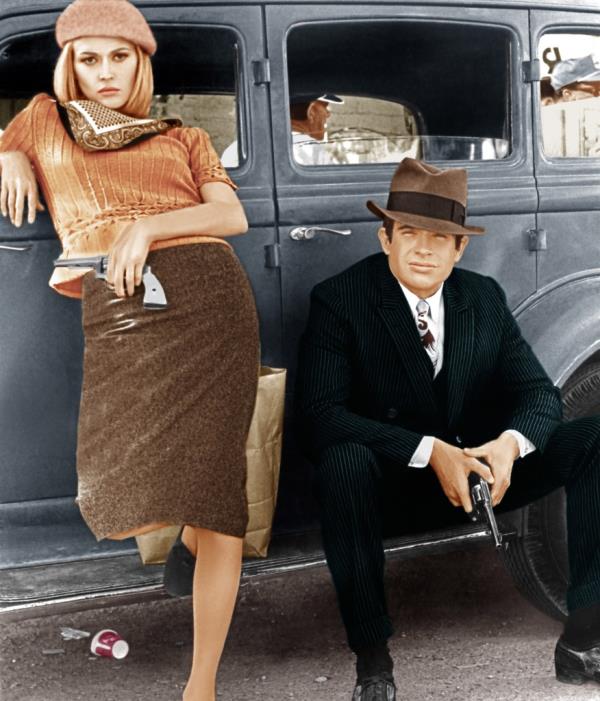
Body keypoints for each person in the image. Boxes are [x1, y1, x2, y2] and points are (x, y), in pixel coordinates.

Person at [0, 1, 259, 700]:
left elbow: (229, 214)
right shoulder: (41, 118)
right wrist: (9, 154)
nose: (104, 72)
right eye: (89, 58)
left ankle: (200, 684)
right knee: (119, 491)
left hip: (209, 302)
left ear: (139, 62)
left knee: (217, 498)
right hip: (121, 309)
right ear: (69, 65)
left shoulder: (183, 135)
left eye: (118, 57)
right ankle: (189, 540)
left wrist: (145, 229)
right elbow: (13, 146)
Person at [295, 157, 600, 700]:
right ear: (384, 237)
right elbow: (320, 417)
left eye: (441, 238)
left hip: (481, 478)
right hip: (388, 489)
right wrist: (428, 450)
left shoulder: (481, 297)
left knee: (596, 437)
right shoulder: (340, 299)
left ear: (460, 249)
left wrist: (509, 446)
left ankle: (583, 639)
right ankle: (373, 666)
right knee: (342, 461)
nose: (423, 249)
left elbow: (539, 395)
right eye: (409, 232)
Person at [220, 93, 344, 167]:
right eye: (325, 107)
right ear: (311, 112)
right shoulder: (317, 152)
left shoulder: (234, 150)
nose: (328, 114)